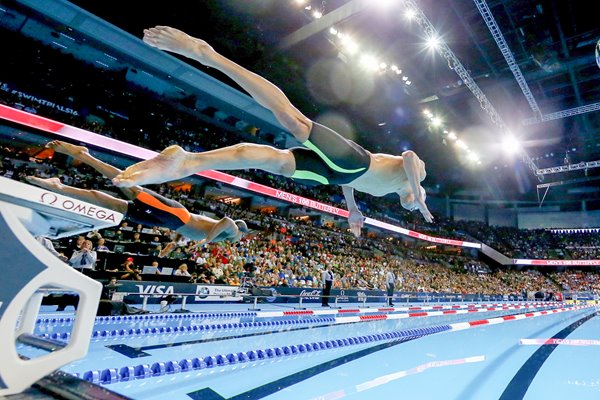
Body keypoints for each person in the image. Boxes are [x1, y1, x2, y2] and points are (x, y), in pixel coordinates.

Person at [112, 26, 434, 237]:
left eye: (413, 207)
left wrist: (352, 209)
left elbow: (350, 183)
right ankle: (206, 54)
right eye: (415, 204)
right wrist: (419, 194)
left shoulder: (387, 190)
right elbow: (408, 155)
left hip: (338, 175)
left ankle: (190, 161)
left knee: (274, 161)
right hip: (354, 160)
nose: (412, 209)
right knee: (295, 122)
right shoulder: (414, 176)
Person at [26, 141, 248, 248]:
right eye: (240, 239)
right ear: (243, 233)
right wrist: (205, 241)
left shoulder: (222, 238)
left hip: (168, 222)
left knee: (116, 206)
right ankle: (85, 156)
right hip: (176, 215)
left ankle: (59, 187)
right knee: (126, 184)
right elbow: (227, 220)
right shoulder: (233, 231)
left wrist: (175, 243)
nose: (238, 241)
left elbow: (197, 230)